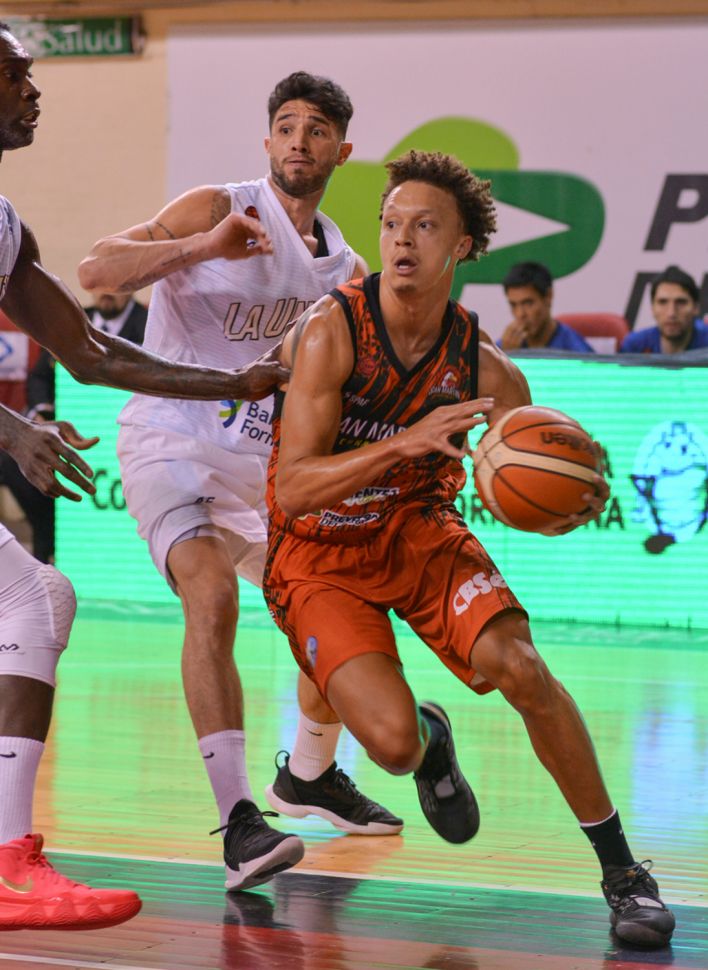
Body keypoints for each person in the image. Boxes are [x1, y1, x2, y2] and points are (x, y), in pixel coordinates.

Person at [264, 149, 676, 949]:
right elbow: (295, 488)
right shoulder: (331, 331)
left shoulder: (488, 370)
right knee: (390, 746)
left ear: (461, 246)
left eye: (424, 226)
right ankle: (431, 745)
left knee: (521, 668)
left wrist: (566, 502)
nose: (401, 239)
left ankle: (624, 873)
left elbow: (518, 478)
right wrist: (404, 441)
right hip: (318, 553)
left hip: (419, 531)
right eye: (391, 223)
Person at [78, 71, 403, 893]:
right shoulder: (216, 206)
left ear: (342, 151)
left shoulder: (348, 270)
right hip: (170, 442)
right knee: (213, 594)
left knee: (333, 604)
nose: (299, 141)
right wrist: (202, 248)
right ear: (267, 141)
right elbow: (96, 271)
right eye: (286, 127)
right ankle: (240, 826)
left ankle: (309, 774)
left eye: (317, 129)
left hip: (263, 469)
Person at [0, 22, 287, 929]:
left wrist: (232, 383)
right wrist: (10, 429)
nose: (33, 91)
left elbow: (90, 352)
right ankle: (7, 862)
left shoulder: (4, 224)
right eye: (14, 74)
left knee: (36, 599)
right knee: (32, 601)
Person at [0, 293, 147, 563]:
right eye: (97, 284)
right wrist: (42, 413)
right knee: (14, 461)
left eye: (113, 284)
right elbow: (40, 376)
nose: (105, 292)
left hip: (126, 435)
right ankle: (47, 541)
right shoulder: (70, 319)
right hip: (68, 428)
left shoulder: (149, 323)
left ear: (129, 286)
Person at [498, 261, 594, 352]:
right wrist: (505, 355)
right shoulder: (505, 346)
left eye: (528, 303)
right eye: (513, 305)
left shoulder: (576, 351)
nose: (520, 314)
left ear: (548, 296)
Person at [620, 265, 708, 354]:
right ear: (652, 308)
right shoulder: (634, 345)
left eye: (681, 302)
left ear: (696, 308)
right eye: (662, 302)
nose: (671, 313)